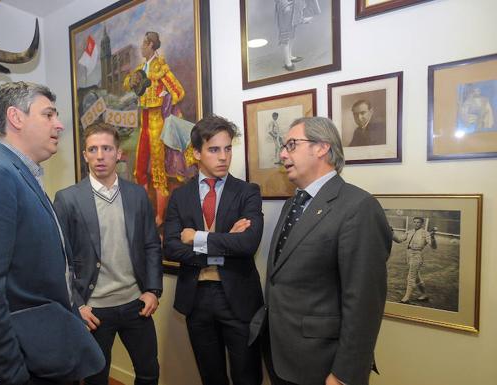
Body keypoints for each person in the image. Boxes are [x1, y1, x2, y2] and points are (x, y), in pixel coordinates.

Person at [0, 82, 101, 385]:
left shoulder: (20, 174)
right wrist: (10, 375)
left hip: (42, 354)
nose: (59, 125)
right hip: (18, 365)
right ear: (16, 117)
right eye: (49, 115)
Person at [250, 117, 392, 385]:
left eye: (291, 145)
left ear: (322, 148)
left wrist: (345, 374)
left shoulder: (358, 207)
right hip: (281, 353)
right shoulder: (294, 202)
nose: (282, 154)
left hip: (323, 363)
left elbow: (363, 303)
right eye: (282, 146)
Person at [53, 122, 163, 385]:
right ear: (85, 155)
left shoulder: (137, 195)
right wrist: (76, 304)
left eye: (106, 148)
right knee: (95, 379)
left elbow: (151, 245)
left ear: (118, 153)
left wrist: (153, 290)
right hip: (94, 311)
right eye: (93, 149)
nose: (100, 155)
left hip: (136, 305)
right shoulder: (68, 199)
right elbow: (60, 258)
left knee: (149, 373)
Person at [163, 115, 264, 385]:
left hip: (239, 298)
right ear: (196, 153)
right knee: (211, 377)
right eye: (214, 149)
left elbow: (247, 244)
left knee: (247, 377)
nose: (224, 157)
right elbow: (171, 248)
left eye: (228, 148)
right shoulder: (180, 196)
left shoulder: (247, 192)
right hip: (196, 299)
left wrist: (197, 237)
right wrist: (223, 242)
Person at [123, 31, 185, 226]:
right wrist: (131, 82)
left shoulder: (160, 66)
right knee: (139, 169)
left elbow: (178, 91)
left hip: (158, 119)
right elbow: (127, 85)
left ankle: (159, 217)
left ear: (150, 45)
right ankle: (145, 212)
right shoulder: (141, 68)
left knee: (158, 171)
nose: (141, 47)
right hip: (145, 120)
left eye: (143, 44)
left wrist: (164, 97)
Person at [392, 217, 437, 304]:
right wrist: (391, 232)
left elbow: (434, 247)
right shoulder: (410, 231)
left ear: (422, 224)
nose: (416, 224)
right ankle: (424, 295)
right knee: (416, 277)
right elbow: (398, 240)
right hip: (408, 255)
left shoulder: (425, 233)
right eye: (415, 222)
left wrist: (432, 237)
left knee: (411, 277)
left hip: (417, 256)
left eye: (418, 222)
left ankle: (406, 298)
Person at [275, 0, 321, 71]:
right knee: (285, 34)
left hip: (295, 5)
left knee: (292, 32)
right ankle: (287, 62)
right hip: (284, 6)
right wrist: (285, 6)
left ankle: (290, 56)